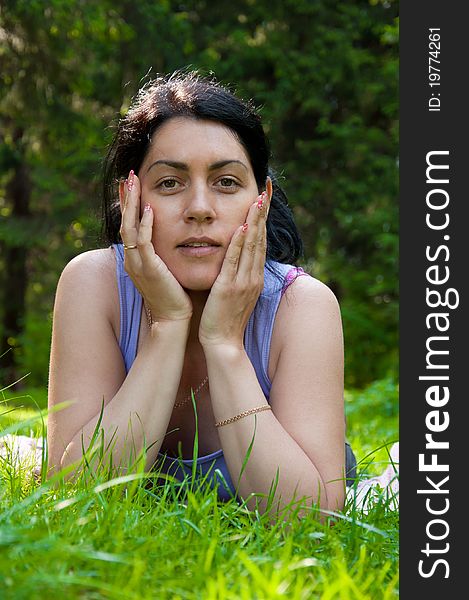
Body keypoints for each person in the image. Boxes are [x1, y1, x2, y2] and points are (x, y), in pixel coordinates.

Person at [46, 71, 357, 517]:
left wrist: (226, 345)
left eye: (226, 182)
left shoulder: (301, 305)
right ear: (130, 197)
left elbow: (311, 517)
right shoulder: (93, 284)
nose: (199, 210)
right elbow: (73, 499)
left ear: (262, 199)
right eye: (170, 183)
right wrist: (167, 325)